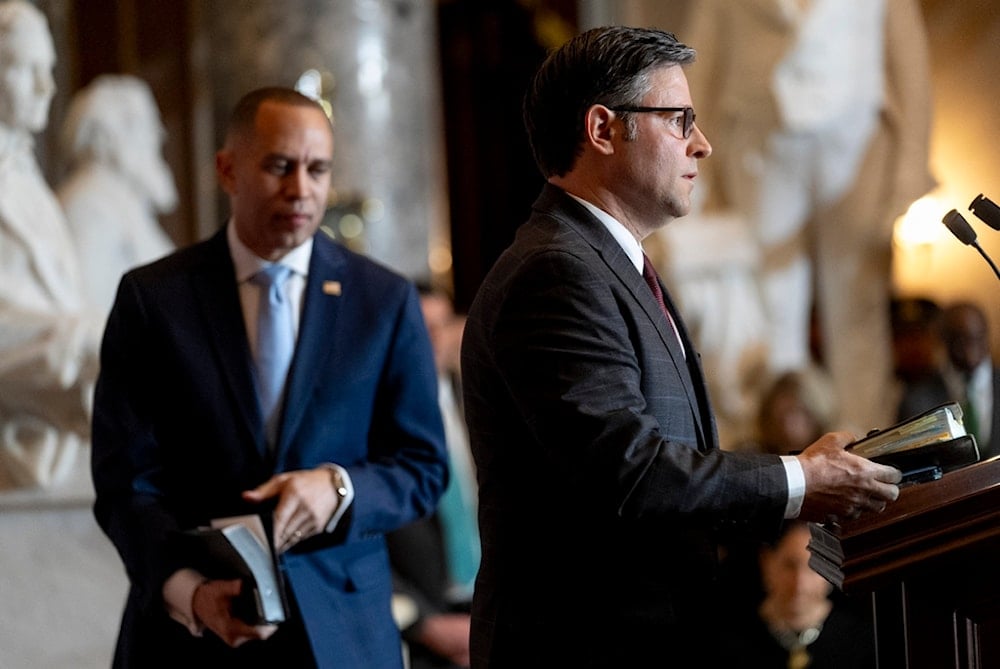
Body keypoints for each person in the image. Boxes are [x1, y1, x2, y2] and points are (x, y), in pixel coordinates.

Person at [460, 26, 902, 668]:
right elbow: (631, 472)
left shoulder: (609, 262)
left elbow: (671, 467)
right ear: (603, 129)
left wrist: (815, 473)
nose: (703, 143)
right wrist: (800, 479)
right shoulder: (556, 272)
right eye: (679, 119)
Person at [91, 87, 449, 668]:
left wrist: (338, 488)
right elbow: (125, 483)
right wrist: (189, 590)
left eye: (318, 169)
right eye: (280, 166)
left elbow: (423, 465)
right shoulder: (152, 300)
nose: (301, 189)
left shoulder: (383, 301)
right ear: (228, 169)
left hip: (343, 634)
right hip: (190, 636)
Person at [681, 0, 935, 436]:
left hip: (856, 146)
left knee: (857, 307)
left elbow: (910, 60)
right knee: (770, 308)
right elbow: (698, 61)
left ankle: (868, 442)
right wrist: (689, 161)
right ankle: (783, 450)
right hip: (760, 146)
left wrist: (911, 163)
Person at [0, 0, 103, 490]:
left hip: (59, 419)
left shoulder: (29, 183)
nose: (47, 87)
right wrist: (76, 343)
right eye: (25, 69)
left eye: (50, 68)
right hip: (25, 411)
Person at [388, 284, 476, 669]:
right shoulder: (376, 421)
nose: (436, 339)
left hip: (494, 604)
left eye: (443, 324)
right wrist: (426, 623)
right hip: (426, 622)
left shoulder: (478, 399)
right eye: (423, 328)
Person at [57, 73, 177, 318]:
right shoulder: (89, 204)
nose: (158, 134)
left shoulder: (121, 202)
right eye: (146, 124)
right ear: (109, 135)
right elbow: (89, 310)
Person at [716, 522, 877, 668]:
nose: (800, 583)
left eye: (813, 567)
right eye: (789, 566)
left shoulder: (859, 641)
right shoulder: (729, 640)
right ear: (767, 563)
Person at [897, 301, 998, 459]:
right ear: (943, 341)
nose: (969, 353)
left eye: (975, 339)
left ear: (986, 335)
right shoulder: (917, 398)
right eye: (959, 341)